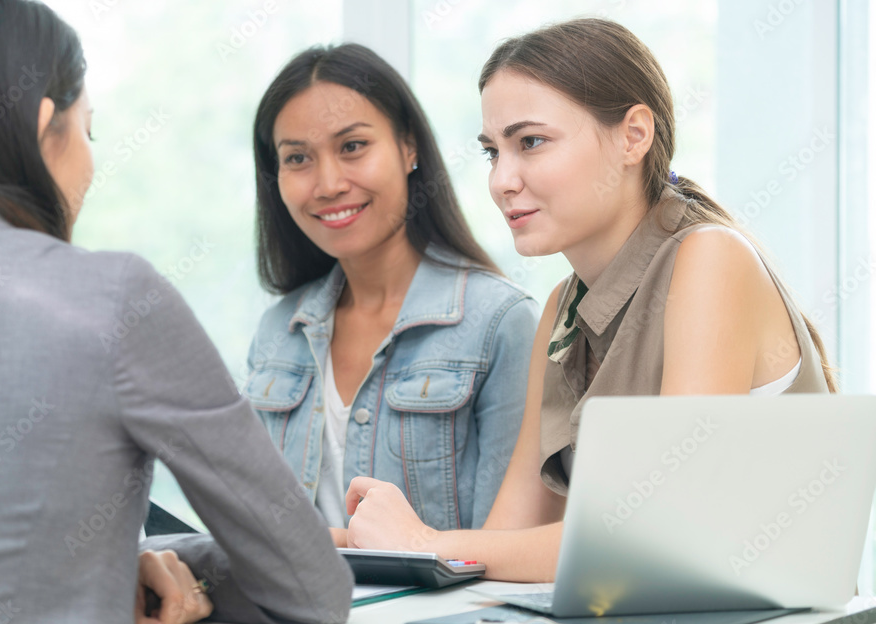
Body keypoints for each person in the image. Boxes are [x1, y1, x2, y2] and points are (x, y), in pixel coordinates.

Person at [0, 2, 351, 623]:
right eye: (88, 131)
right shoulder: (113, 299)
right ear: (43, 125)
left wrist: (107, 557)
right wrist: (149, 566)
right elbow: (310, 587)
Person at [340, 18, 835, 581]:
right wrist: (361, 543)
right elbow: (509, 538)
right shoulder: (560, 309)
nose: (502, 179)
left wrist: (425, 542)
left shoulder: (710, 259)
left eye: (530, 142)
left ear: (633, 136)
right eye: (491, 152)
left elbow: (669, 531)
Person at [246, 43, 540, 538]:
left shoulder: (501, 323)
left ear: (409, 149)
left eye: (352, 146)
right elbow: (254, 529)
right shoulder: (279, 331)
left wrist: (325, 544)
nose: (328, 183)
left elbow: (506, 549)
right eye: (298, 158)